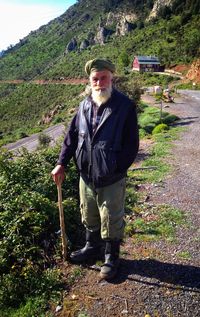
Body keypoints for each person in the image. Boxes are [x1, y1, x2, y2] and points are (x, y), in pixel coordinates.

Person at [51, 58, 139, 280]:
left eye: (103, 78)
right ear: (90, 81)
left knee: (111, 216)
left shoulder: (124, 106)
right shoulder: (84, 105)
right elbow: (71, 137)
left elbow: (131, 145)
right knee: (88, 213)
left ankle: (111, 256)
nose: (99, 83)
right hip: (86, 175)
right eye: (95, 79)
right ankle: (92, 247)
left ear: (112, 78)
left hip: (111, 177)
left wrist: (116, 169)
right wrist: (61, 162)